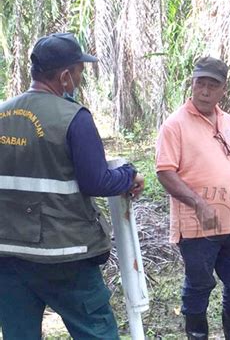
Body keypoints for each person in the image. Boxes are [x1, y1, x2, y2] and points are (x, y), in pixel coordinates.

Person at [0, 32, 144, 340]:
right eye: (79, 71)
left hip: (8, 254)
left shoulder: (2, 113)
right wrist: (129, 175)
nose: (80, 78)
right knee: (96, 332)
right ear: (65, 76)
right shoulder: (73, 118)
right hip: (65, 255)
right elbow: (97, 181)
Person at [155, 56, 230, 340]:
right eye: (199, 83)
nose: (204, 91)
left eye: (211, 85)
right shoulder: (174, 125)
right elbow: (165, 172)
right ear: (192, 85)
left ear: (222, 90)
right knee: (199, 285)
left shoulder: (229, 121)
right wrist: (200, 205)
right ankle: (196, 335)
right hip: (196, 226)